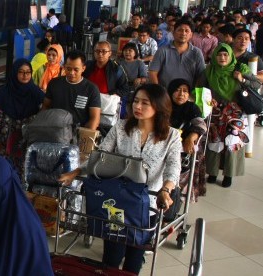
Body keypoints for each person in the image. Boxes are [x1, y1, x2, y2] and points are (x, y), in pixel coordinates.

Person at [58, 83, 181, 274]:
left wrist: (166, 190)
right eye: (136, 102)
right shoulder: (122, 127)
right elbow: (100, 155)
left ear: (158, 106)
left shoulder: (171, 136)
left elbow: (173, 166)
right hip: (119, 203)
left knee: (135, 257)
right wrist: (76, 172)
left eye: (144, 103)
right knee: (112, 254)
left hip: (147, 204)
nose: (137, 107)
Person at [198, 43, 261, 187]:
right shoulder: (209, 70)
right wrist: (208, 98)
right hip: (215, 111)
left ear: (230, 56)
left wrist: (242, 79)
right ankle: (212, 172)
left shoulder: (240, 68)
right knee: (215, 142)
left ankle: (229, 174)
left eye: (225, 54)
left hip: (235, 112)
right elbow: (200, 88)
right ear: (214, 56)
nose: (222, 57)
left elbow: (257, 84)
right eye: (219, 55)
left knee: (232, 142)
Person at [0, 59, 45, 171]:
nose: (25, 75)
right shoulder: (5, 92)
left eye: (28, 72)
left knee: (25, 171)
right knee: (5, 170)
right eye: (21, 72)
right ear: (15, 73)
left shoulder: (37, 94)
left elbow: (43, 118)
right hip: (6, 141)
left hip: (28, 141)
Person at [168, 78, 207, 200]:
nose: (181, 94)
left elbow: (200, 125)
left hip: (184, 146)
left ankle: (182, 196)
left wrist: (191, 137)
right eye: (178, 90)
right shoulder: (163, 105)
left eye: (185, 91)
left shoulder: (192, 108)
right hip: (165, 142)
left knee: (194, 150)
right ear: (170, 92)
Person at [42, 50, 101, 130]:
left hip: (78, 133)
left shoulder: (92, 89)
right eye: (68, 69)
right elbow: (45, 106)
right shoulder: (54, 84)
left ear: (83, 68)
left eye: (76, 70)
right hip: (54, 130)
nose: (71, 73)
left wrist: (84, 137)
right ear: (64, 67)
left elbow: (94, 119)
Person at [149, 19, 206, 90]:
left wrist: (195, 94)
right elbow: (152, 72)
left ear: (191, 35)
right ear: (173, 33)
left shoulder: (197, 53)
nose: (183, 33)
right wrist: (159, 92)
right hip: (165, 94)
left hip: (187, 96)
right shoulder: (163, 51)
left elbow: (201, 76)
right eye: (180, 30)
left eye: (186, 31)